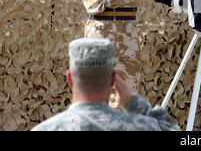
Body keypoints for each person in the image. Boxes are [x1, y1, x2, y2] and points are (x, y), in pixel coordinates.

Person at [31, 38, 180, 131]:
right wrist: (133, 104)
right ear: (113, 79)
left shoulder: (45, 129)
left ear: (69, 79)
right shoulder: (142, 127)